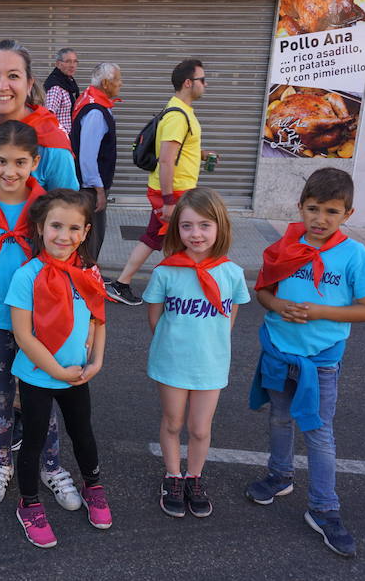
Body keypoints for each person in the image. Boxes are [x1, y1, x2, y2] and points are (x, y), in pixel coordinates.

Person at [245, 168, 365, 558]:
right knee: (278, 417)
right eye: (312, 209)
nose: (320, 219)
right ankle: (280, 475)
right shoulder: (286, 244)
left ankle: (324, 508)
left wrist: (320, 311)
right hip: (278, 349)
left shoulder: (354, 255)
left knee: (319, 432)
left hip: (321, 361)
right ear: (300, 207)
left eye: (331, 211)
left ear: (348, 213)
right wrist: (277, 305)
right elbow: (264, 293)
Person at [0, 121, 81, 510]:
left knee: (41, 396)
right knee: (3, 396)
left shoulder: (46, 209)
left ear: (35, 162)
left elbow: (67, 264)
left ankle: (52, 466)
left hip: (42, 321)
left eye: (20, 162)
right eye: (1, 161)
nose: (10, 171)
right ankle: (3, 464)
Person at [6, 188, 111, 548]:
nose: (63, 236)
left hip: (78, 374)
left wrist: (97, 360)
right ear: (39, 227)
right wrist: (56, 372)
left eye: (73, 229)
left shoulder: (89, 272)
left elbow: (98, 320)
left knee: (82, 432)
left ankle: (93, 486)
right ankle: (29, 504)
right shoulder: (26, 276)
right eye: (55, 226)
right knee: (33, 440)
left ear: (84, 232)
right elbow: (23, 335)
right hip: (38, 375)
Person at [143, 187, 249, 519]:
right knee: (173, 422)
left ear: (220, 227)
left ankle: (195, 477)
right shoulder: (165, 271)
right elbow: (155, 319)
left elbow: (229, 317)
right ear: (177, 230)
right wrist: (175, 345)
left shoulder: (232, 273)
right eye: (187, 226)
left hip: (211, 363)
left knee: (200, 428)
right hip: (171, 361)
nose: (196, 234)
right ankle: (173, 476)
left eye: (205, 225)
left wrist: (211, 346)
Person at [106, 59, 218, 306]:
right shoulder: (178, 116)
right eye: (202, 80)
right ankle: (174, 293)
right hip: (174, 192)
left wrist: (201, 154)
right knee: (179, 240)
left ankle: (125, 284)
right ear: (188, 83)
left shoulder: (182, 111)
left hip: (177, 190)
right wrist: (168, 201)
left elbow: (177, 150)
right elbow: (166, 160)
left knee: (160, 238)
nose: (206, 84)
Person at [0, 39, 79, 192]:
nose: (2, 87)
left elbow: (68, 208)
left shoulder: (53, 145)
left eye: (13, 76)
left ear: (29, 84)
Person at [71, 62, 122, 260]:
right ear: (106, 83)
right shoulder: (95, 111)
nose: (121, 84)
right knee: (93, 235)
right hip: (91, 188)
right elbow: (87, 156)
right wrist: (98, 189)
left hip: (92, 185)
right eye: (118, 79)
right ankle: (86, 277)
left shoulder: (93, 101)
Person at [43, 48, 80, 133]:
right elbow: (47, 116)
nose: (72, 65)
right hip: (59, 139)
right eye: (68, 61)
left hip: (68, 138)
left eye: (75, 61)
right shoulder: (55, 87)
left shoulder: (69, 82)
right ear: (58, 64)